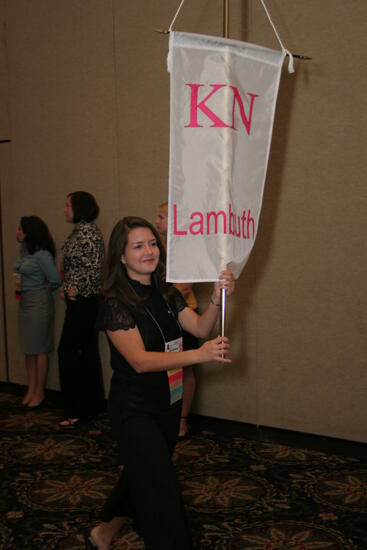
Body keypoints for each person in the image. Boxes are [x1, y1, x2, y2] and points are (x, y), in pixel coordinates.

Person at [88, 216, 234, 550]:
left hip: (167, 402)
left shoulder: (166, 290)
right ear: (121, 256)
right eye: (138, 246)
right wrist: (199, 356)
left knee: (141, 476)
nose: (149, 251)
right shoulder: (114, 303)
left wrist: (215, 297)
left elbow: (199, 329)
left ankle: (104, 533)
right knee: (161, 488)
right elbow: (140, 361)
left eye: (152, 243)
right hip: (134, 410)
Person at [58, 191, 105, 428]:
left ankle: (77, 410)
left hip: (85, 303)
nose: (65, 209)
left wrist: (75, 288)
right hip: (81, 301)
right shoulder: (80, 231)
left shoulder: (87, 232)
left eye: (68, 205)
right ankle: (89, 407)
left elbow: (94, 269)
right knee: (84, 353)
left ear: (79, 207)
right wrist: (68, 286)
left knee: (69, 353)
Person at [155, 201, 198, 438]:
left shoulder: (185, 248)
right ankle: (165, 416)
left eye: (162, 217)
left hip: (183, 315)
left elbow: (185, 287)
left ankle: (182, 420)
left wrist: (160, 301)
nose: (157, 221)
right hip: (161, 315)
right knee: (164, 368)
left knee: (184, 369)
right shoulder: (157, 249)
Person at [14, 216, 61, 408]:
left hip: (39, 303)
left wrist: (43, 291)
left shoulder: (42, 254)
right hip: (24, 301)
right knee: (29, 349)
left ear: (29, 232)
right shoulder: (24, 251)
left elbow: (55, 280)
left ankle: (39, 392)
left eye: (20, 229)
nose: (17, 232)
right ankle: (30, 389)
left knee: (39, 348)